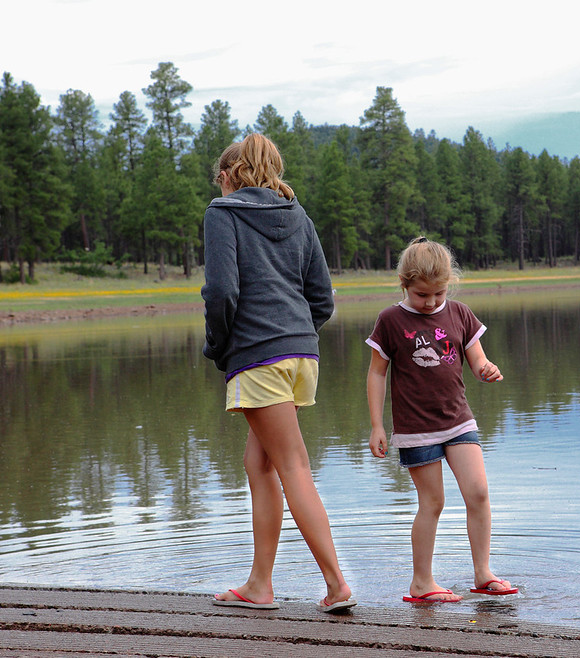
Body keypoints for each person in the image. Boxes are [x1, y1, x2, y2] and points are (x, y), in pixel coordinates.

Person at [201, 133, 355, 613]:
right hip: (301, 356)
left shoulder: (222, 213)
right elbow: (323, 298)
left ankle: (336, 585)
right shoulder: (298, 214)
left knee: (293, 467)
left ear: (227, 176)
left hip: (259, 356)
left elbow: (222, 292)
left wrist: (218, 346)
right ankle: (259, 585)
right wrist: (297, 334)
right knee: (260, 463)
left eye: (220, 179)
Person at [366, 237, 518, 603]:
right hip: (416, 429)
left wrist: (485, 369)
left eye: (439, 294)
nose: (432, 302)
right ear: (404, 284)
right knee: (432, 503)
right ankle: (421, 582)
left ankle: (483, 573)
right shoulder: (390, 320)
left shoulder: (460, 313)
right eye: (422, 295)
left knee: (478, 493)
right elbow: (376, 374)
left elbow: (476, 357)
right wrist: (376, 425)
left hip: (459, 421)